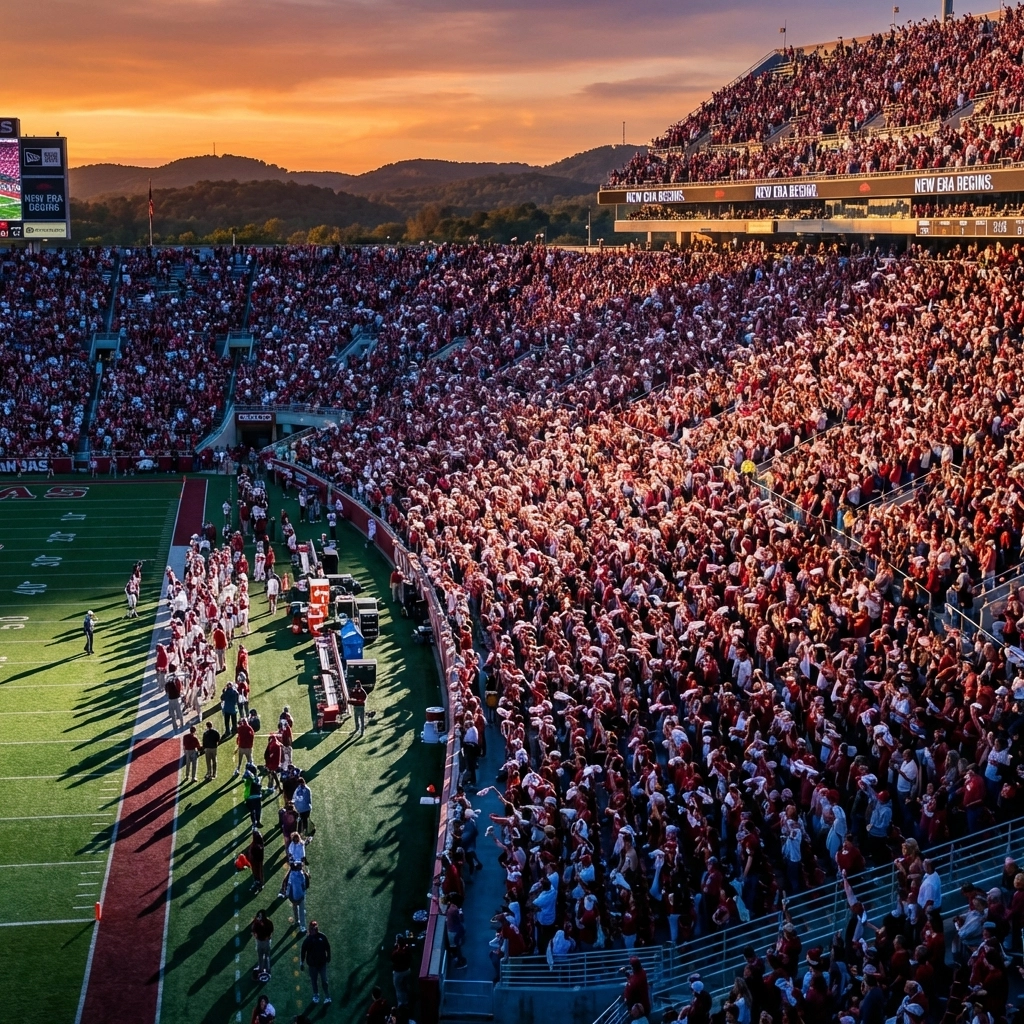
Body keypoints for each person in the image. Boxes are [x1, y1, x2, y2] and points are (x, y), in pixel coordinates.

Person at [300, 920, 332, 1005]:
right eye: (312, 928)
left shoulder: (322, 937)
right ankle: (316, 995)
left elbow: (327, 947)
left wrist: (329, 956)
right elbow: (303, 951)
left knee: (324, 981)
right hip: (312, 965)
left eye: (315, 928)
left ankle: (327, 996)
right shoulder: (308, 940)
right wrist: (302, 962)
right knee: (314, 981)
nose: (313, 930)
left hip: (322, 963)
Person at [283, 862, 308, 934]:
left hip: (295, 896)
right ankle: (302, 926)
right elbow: (304, 886)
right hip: (300, 896)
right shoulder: (300, 875)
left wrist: (288, 894)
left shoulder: (292, 874)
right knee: (301, 911)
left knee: (296, 909)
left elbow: (289, 885)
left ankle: (298, 922)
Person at [391, 933, 412, 1010]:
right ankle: (407, 1001)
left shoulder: (396, 953)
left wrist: (395, 947)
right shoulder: (407, 949)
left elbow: (392, 958)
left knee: (398, 988)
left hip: (399, 972)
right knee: (405, 986)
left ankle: (401, 1004)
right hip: (407, 970)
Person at [251, 908, 273, 981]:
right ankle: (267, 970)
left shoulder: (257, 923)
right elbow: (271, 931)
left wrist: (256, 937)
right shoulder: (269, 922)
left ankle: (260, 970)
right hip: (267, 941)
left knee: (260, 956)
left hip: (260, 941)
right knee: (267, 956)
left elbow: (254, 931)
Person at [249, 826, 266, 893]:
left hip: (257, 860)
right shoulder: (256, 843)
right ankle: (257, 882)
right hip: (255, 860)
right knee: (255, 872)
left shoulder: (258, 846)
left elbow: (256, 853)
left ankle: (260, 884)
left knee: (258, 872)